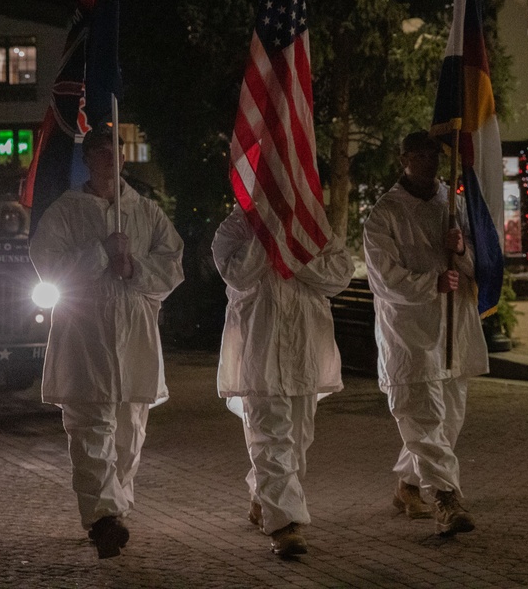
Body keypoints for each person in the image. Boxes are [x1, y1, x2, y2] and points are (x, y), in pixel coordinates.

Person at [29, 127, 184, 560]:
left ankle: (116, 508)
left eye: (114, 151)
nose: (108, 158)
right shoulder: (65, 212)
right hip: (86, 332)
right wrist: (100, 252)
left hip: (133, 334)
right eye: (99, 152)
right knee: (91, 427)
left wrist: (133, 266)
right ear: (88, 158)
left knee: (129, 432)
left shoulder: (145, 211)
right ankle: (102, 518)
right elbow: (48, 267)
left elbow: (172, 265)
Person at [362, 131, 488, 537]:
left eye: (434, 154)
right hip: (410, 334)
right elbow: (384, 277)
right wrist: (431, 283)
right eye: (419, 155)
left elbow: (482, 264)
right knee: (423, 415)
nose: (429, 162)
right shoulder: (385, 214)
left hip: (453, 329)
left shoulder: (454, 205)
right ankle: (446, 497)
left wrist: (463, 248)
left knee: (448, 419)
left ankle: (409, 484)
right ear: (404, 160)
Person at [213, 205, 353, 557]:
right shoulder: (234, 228)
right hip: (259, 347)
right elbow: (237, 275)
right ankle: (286, 525)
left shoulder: (313, 225)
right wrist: (268, 237)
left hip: (303, 349)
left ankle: (265, 496)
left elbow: (339, 275)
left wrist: (295, 251)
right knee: (269, 436)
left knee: (298, 439)